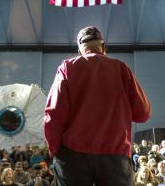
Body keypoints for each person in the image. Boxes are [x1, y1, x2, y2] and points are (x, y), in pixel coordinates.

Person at [44, 26, 151, 186]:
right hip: (114, 157)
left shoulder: (67, 68)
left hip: (73, 157)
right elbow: (143, 113)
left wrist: (54, 150)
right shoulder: (121, 69)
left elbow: (53, 115)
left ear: (80, 50)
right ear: (104, 48)